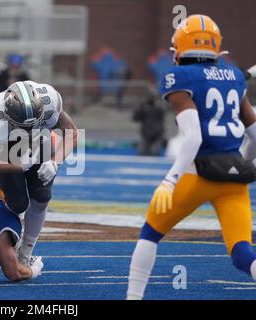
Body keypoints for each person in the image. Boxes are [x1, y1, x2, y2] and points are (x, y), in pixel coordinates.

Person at [126, 15, 256, 300]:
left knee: (150, 234)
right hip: (234, 178)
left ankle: (133, 298)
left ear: (181, 47)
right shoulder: (234, 76)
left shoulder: (180, 77)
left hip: (196, 175)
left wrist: (169, 181)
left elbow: (194, 137)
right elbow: (254, 133)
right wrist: (246, 164)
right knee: (242, 252)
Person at [0, 80, 78, 266]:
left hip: (41, 142)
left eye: (32, 123)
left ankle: (25, 254)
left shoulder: (50, 100)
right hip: (5, 148)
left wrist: (55, 161)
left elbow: (72, 133)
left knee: (42, 195)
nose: (28, 129)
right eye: (23, 125)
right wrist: (18, 167)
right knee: (18, 204)